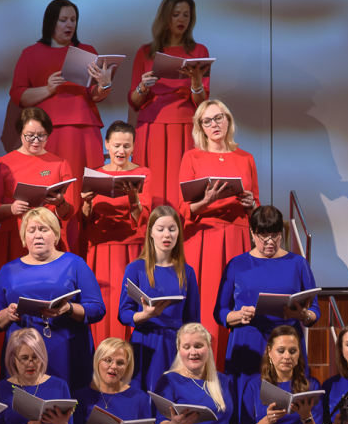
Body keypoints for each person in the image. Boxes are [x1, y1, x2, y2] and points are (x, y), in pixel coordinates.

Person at [10, 0, 115, 211]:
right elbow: (19, 96)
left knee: (86, 191)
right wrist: (48, 89)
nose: (69, 25)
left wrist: (105, 84)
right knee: (52, 188)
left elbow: (95, 95)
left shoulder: (87, 51)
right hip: (48, 132)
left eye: (73, 20)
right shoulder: (31, 53)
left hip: (84, 130)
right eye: (63, 20)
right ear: (51, 22)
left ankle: (84, 230)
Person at [0, 207, 105, 388]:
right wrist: (7, 314)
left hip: (66, 347)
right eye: (31, 230)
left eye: (44, 229)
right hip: (22, 350)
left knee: (65, 397)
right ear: (24, 238)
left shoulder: (75, 264)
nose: (38, 235)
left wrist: (69, 309)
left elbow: (97, 308)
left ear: (55, 235)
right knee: (23, 401)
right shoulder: (8, 270)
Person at [177, 99, 259, 354]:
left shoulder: (246, 158)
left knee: (238, 296)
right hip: (204, 235)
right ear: (200, 127)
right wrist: (206, 201)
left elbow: (256, 206)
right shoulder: (192, 157)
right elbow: (183, 208)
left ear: (228, 120)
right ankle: (202, 361)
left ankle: (237, 360)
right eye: (207, 121)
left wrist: (251, 204)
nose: (214, 124)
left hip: (238, 234)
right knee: (207, 300)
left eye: (218, 118)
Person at [127, 0, 210, 208]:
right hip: (151, 125)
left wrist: (196, 82)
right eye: (176, 14)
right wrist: (143, 86)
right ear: (166, 17)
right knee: (151, 190)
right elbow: (134, 101)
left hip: (184, 126)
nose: (181, 20)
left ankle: (182, 228)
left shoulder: (199, 51)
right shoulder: (146, 52)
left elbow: (202, 102)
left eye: (186, 15)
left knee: (180, 189)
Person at [216, 205, 318, 379]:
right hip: (248, 340)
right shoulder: (237, 264)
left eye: (275, 235)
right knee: (247, 392)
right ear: (252, 233)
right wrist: (239, 315)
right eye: (263, 236)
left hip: (286, 340)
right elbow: (220, 312)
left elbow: (315, 310)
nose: (270, 242)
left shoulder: (298, 263)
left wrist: (304, 315)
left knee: (287, 391)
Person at [81, 121, 151, 345]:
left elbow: (143, 218)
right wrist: (86, 202)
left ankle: (131, 354)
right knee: (103, 301)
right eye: (117, 145)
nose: (121, 151)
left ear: (133, 147)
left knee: (129, 301)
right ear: (107, 144)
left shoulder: (142, 173)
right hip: (100, 248)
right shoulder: (95, 174)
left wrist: (133, 197)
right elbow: (84, 220)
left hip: (131, 248)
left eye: (127, 146)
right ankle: (101, 354)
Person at [0, 108, 75, 282]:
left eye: (41, 136)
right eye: (30, 136)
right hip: (15, 237)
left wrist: (59, 202)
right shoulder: (3, 163)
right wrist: (11, 208)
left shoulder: (59, 164)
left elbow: (68, 211)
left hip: (48, 238)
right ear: (20, 133)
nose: (36, 141)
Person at [119, 205, 201, 391]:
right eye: (161, 229)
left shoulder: (187, 272)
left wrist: (191, 348)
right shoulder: (135, 268)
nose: (167, 235)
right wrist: (145, 315)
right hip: (144, 341)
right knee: (142, 394)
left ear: (178, 233)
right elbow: (123, 313)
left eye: (172, 229)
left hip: (175, 342)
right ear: (150, 233)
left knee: (171, 394)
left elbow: (193, 319)